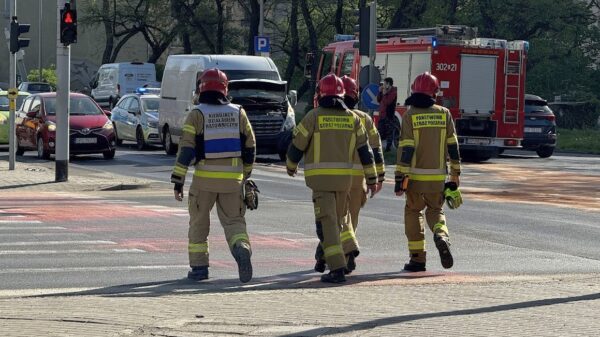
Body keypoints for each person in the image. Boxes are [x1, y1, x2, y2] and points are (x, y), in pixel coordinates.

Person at [287, 73, 379, 284]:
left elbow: (297, 144)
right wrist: (372, 179)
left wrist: (291, 166)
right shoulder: (353, 118)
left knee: (327, 226)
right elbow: (366, 152)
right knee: (338, 222)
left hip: (321, 183)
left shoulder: (313, 116)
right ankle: (345, 251)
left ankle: (337, 268)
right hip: (344, 183)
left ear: (320, 94)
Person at [171, 68, 256, 283]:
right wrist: (244, 175)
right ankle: (241, 247)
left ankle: (200, 269)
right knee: (235, 222)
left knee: (199, 223)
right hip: (233, 183)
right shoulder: (238, 112)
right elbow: (250, 146)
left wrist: (178, 180)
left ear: (201, 88)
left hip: (204, 182)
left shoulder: (197, 114)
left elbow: (187, 149)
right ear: (225, 89)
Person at [313, 75, 385, 274]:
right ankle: (334, 255)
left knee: (331, 220)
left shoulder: (324, 116)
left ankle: (337, 255)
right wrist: (378, 177)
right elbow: (375, 150)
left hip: (333, 178)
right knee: (348, 220)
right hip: (358, 181)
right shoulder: (365, 118)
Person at [395, 72, 461, 272]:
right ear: (435, 91)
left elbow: (406, 149)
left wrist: (400, 178)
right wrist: (455, 173)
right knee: (435, 211)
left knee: (413, 212)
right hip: (437, 178)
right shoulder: (444, 113)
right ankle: (441, 235)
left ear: (414, 90)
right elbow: (453, 145)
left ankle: (417, 259)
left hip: (414, 178)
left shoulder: (409, 115)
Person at [376, 77, 398, 152]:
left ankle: (388, 148)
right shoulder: (384, 91)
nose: (383, 85)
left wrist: (384, 93)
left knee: (389, 133)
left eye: (385, 84)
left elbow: (387, 102)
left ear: (388, 84)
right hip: (382, 115)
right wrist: (380, 92)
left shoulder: (393, 92)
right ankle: (378, 147)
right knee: (379, 132)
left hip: (388, 115)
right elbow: (378, 100)